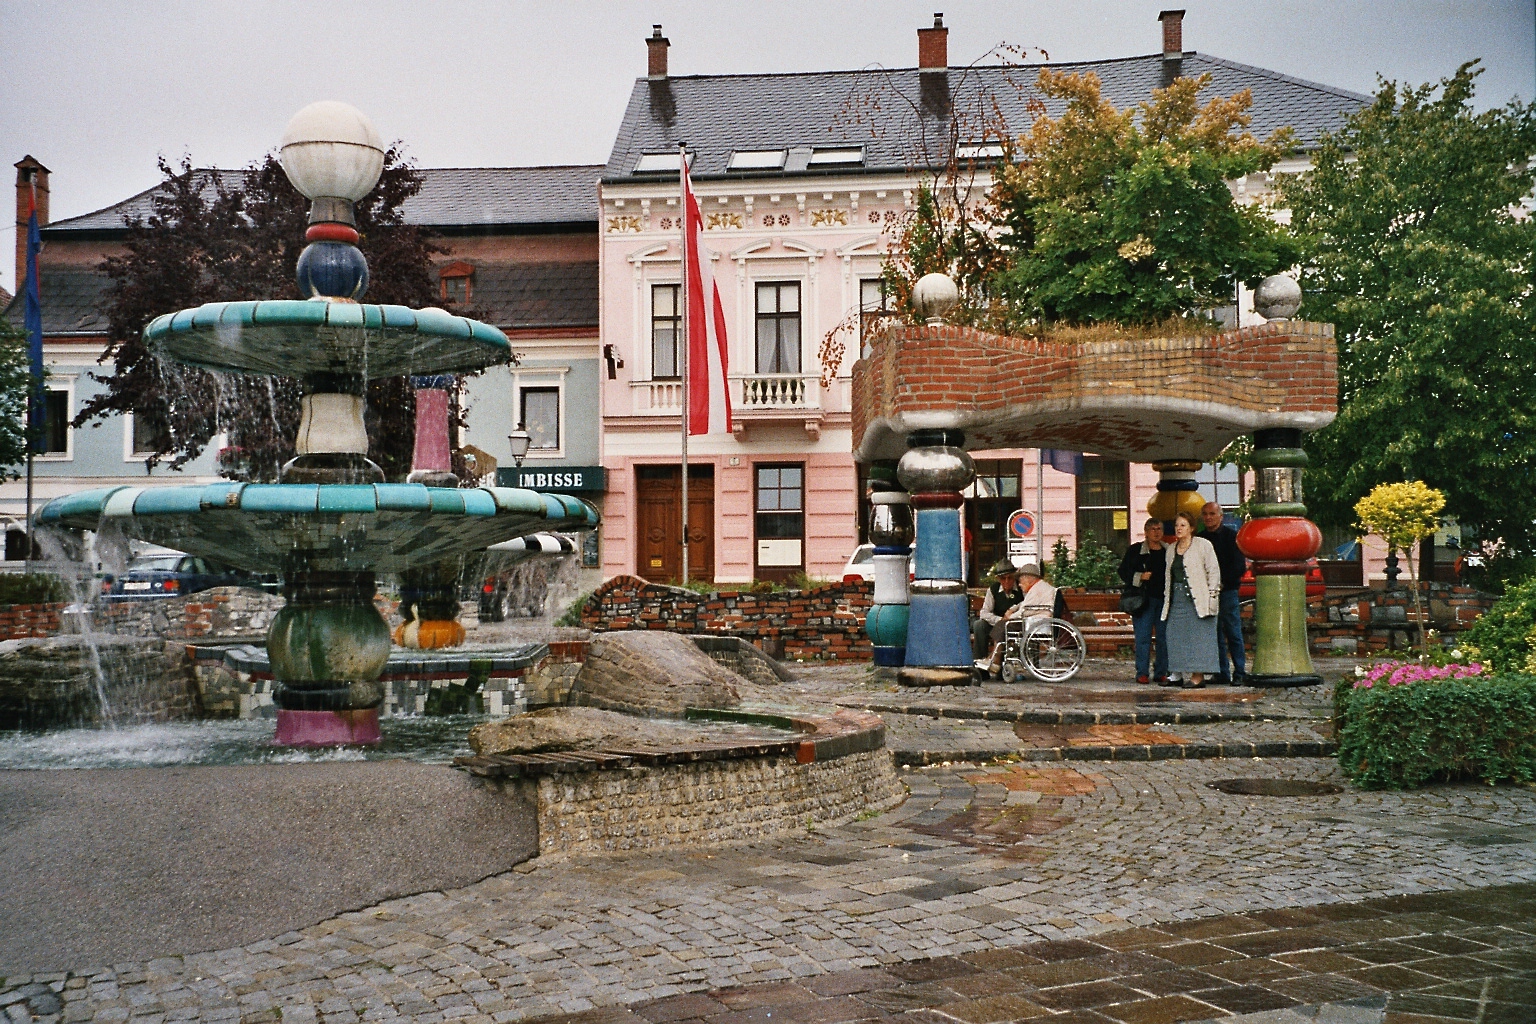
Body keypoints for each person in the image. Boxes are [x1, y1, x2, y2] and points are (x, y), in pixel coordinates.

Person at [1161, 510, 1222, 688]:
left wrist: (1212, 597)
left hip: (1199, 598)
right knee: (1174, 635)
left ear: (1192, 528)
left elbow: (1213, 571)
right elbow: (1168, 576)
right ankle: (1176, 674)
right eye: (1176, 525)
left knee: (1199, 638)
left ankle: (1198, 676)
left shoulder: (1203, 545)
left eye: (1183, 525)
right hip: (1176, 598)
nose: (1179, 528)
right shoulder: (1171, 549)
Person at [1117, 518, 1169, 684]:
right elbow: (1123, 571)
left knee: (1163, 638)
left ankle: (1161, 671)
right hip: (1143, 601)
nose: (1156, 532)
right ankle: (1142, 672)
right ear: (1146, 532)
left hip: (1164, 600)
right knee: (1143, 638)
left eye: (1159, 528)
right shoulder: (1136, 550)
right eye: (1153, 529)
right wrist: (1139, 577)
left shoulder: (1169, 550)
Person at [1202, 502, 1248, 685]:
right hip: (1207, 593)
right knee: (1214, 634)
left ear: (1220, 516)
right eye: (1205, 514)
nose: (1208, 517)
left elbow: (1239, 567)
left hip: (1227, 591)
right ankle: (1221, 672)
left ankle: (1240, 671)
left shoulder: (1232, 537)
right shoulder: (1200, 539)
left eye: (1212, 513)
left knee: (1233, 631)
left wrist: (1221, 583)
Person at [973, 559, 1024, 662]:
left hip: (1015, 624)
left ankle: (997, 662)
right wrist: (1000, 620)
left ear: (1014, 576)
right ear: (998, 578)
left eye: (1010, 577)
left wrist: (1011, 613)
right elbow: (984, 612)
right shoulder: (993, 590)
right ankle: (980, 666)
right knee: (979, 625)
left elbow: (1027, 604)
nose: (1006, 581)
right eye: (1003, 578)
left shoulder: (1021, 587)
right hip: (997, 624)